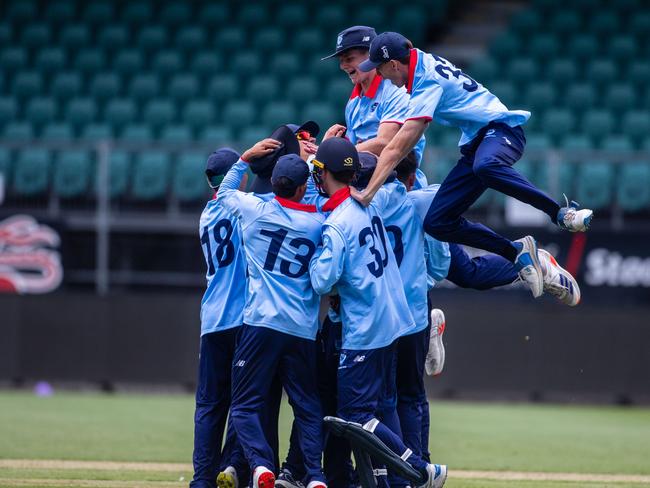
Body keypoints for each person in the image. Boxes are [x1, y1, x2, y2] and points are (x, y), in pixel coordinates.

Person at [351, 32, 593, 300]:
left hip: (502, 130)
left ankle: (560, 213)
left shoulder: (426, 81)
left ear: (395, 64)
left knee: (486, 167)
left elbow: (394, 148)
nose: (382, 76)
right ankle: (517, 252)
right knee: (437, 222)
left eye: (381, 69)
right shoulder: (419, 64)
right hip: (476, 144)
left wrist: (367, 193)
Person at [309, 137, 447, 488]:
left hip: (364, 330)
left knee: (356, 415)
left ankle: (420, 470)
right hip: (393, 323)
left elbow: (322, 280)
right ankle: (388, 483)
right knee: (384, 406)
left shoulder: (340, 222)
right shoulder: (370, 204)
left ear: (327, 174)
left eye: (319, 171)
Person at [218, 132, 327, 488]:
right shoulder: (317, 222)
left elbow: (224, 194)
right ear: (300, 188)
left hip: (260, 323)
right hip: (301, 328)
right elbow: (319, 199)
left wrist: (245, 158)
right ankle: (314, 476)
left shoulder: (253, 210)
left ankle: (261, 465)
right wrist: (316, 157)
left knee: (245, 405)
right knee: (308, 409)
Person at [396, 152, 580, 307]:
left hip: (415, 217)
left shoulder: (395, 122)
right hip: (396, 219)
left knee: (464, 274)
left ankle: (534, 262)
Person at [191, 148, 247, 488]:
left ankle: (201, 480)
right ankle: (231, 466)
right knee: (247, 401)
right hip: (242, 318)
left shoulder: (206, 215)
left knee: (209, 406)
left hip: (212, 320)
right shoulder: (245, 212)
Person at [321, 26, 428, 188]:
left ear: (370, 56)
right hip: (366, 184)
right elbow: (354, 149)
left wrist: (334, 153)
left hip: (401, 185)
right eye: (341, 61)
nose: (343, 66)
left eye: (349, 59)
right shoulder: (353, 103)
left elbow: (385, 142)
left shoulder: (395, 91)